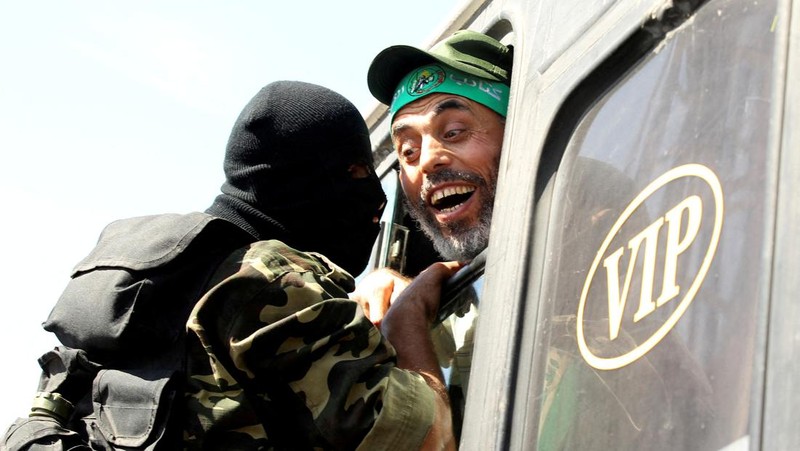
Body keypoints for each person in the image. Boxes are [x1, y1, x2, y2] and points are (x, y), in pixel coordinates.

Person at [1, 81, 458, 450]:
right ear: (302, 179)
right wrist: (409, 317)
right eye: (357, 171)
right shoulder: (272, 279)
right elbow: (423, 438)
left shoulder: (160, 275)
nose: (374, 199)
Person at [353, 29, 513, 439]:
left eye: (454, 131)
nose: (428, 161)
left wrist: (408, 324)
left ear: (517, 130)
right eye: (407, 151)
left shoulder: (590, 247)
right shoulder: (458, 304)